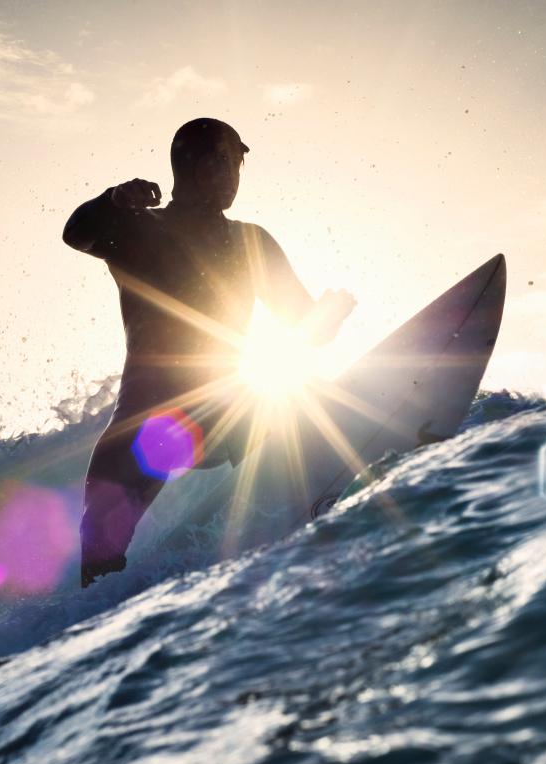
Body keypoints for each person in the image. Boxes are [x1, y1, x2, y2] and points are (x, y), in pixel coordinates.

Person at [63, 118, 356, 587]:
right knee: (97, 555)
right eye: (219, 163)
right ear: (189, 166)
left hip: (226, 408)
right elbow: (77, 233)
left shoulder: (251, 242)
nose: (231, 175)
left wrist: (332, 314)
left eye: (237, 163)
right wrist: (114, 198)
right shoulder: (140, 230)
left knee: (300, 402)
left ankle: (318, 492)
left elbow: (306, 330)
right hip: (146, 422)